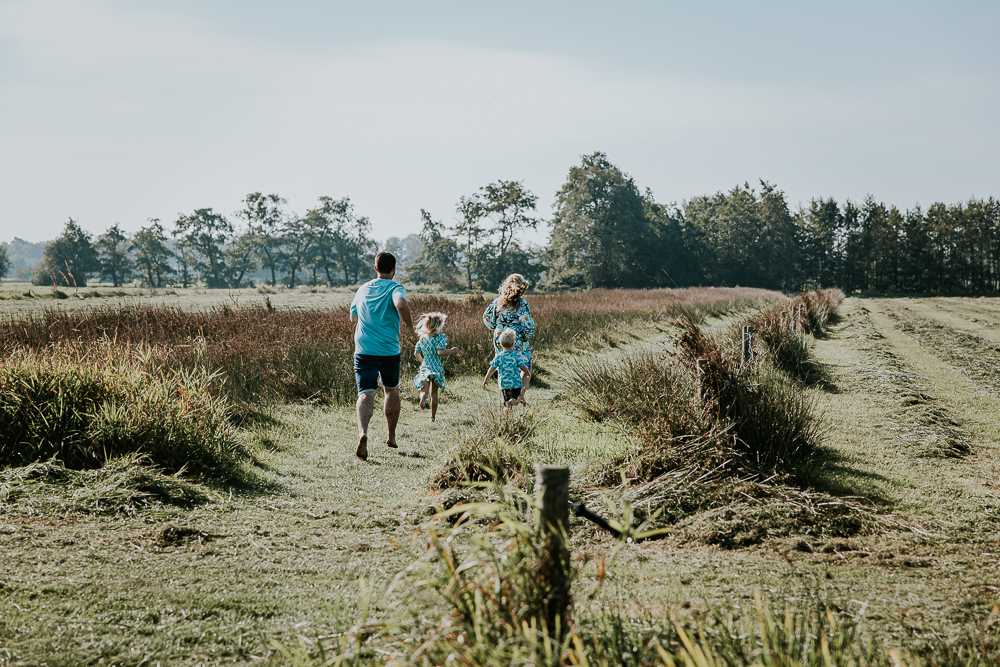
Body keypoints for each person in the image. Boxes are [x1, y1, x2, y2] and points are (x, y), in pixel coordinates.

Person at [350, 251, 413, 461]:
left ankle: (363, 433)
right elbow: (401, 304)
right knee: (390, 389)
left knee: (366, 393)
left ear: (375, 268)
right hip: (388, 350)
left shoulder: (363, 289)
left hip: (364, 348)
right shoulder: (396, 287)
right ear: (394, 270)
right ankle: (391, 436)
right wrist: (410, 325)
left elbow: (353, 317)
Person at [482, 273, 535, 403]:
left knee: (504, 366)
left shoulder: (497, 301)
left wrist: (496, 327)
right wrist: (527, 336)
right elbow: (526, 323)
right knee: (526, 363)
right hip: (515, 336)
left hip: (500, 336)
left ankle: (507, 398)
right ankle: (519, 395)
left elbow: (487, 317)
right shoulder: (521, 304)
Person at [412, 311, 463, 422]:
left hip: (425, 367)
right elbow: (440, 352)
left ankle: (422, 399)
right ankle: (432, 417)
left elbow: (416, 353)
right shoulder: (441, 337)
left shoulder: (422, 339)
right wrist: (452, 350)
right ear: (438, 325)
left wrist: (422, 362)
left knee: (424, 391)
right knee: (434, 393)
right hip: (435, 369)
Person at [483, 328, 531, 410]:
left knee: (506, 402)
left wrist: (486, 378)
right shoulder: (516, 355)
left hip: (504, 384)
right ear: (513, 344)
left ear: (501, 344)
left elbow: (492, 368)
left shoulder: (499, 356)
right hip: (515, 383)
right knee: (515, 399)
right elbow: (522, 366)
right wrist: (527, 372)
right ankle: (512, 402)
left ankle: (507, 419)